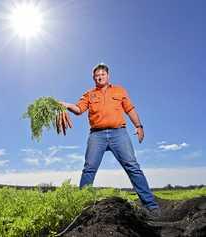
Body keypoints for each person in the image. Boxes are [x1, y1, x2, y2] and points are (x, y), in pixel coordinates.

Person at [60, 63, 161, 217]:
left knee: (132, 166)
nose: (100, 76)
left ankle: (151, 206)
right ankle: (81, 206)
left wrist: (139, 126)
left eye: (103, 74)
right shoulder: (89, 94)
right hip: (97, 135)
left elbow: (130, 109)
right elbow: (79, 109)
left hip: (118, 133)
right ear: (94, 78)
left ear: (108, 76)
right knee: (89, 168)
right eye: (97, 75)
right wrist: (66, 105)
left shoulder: (119, 91)